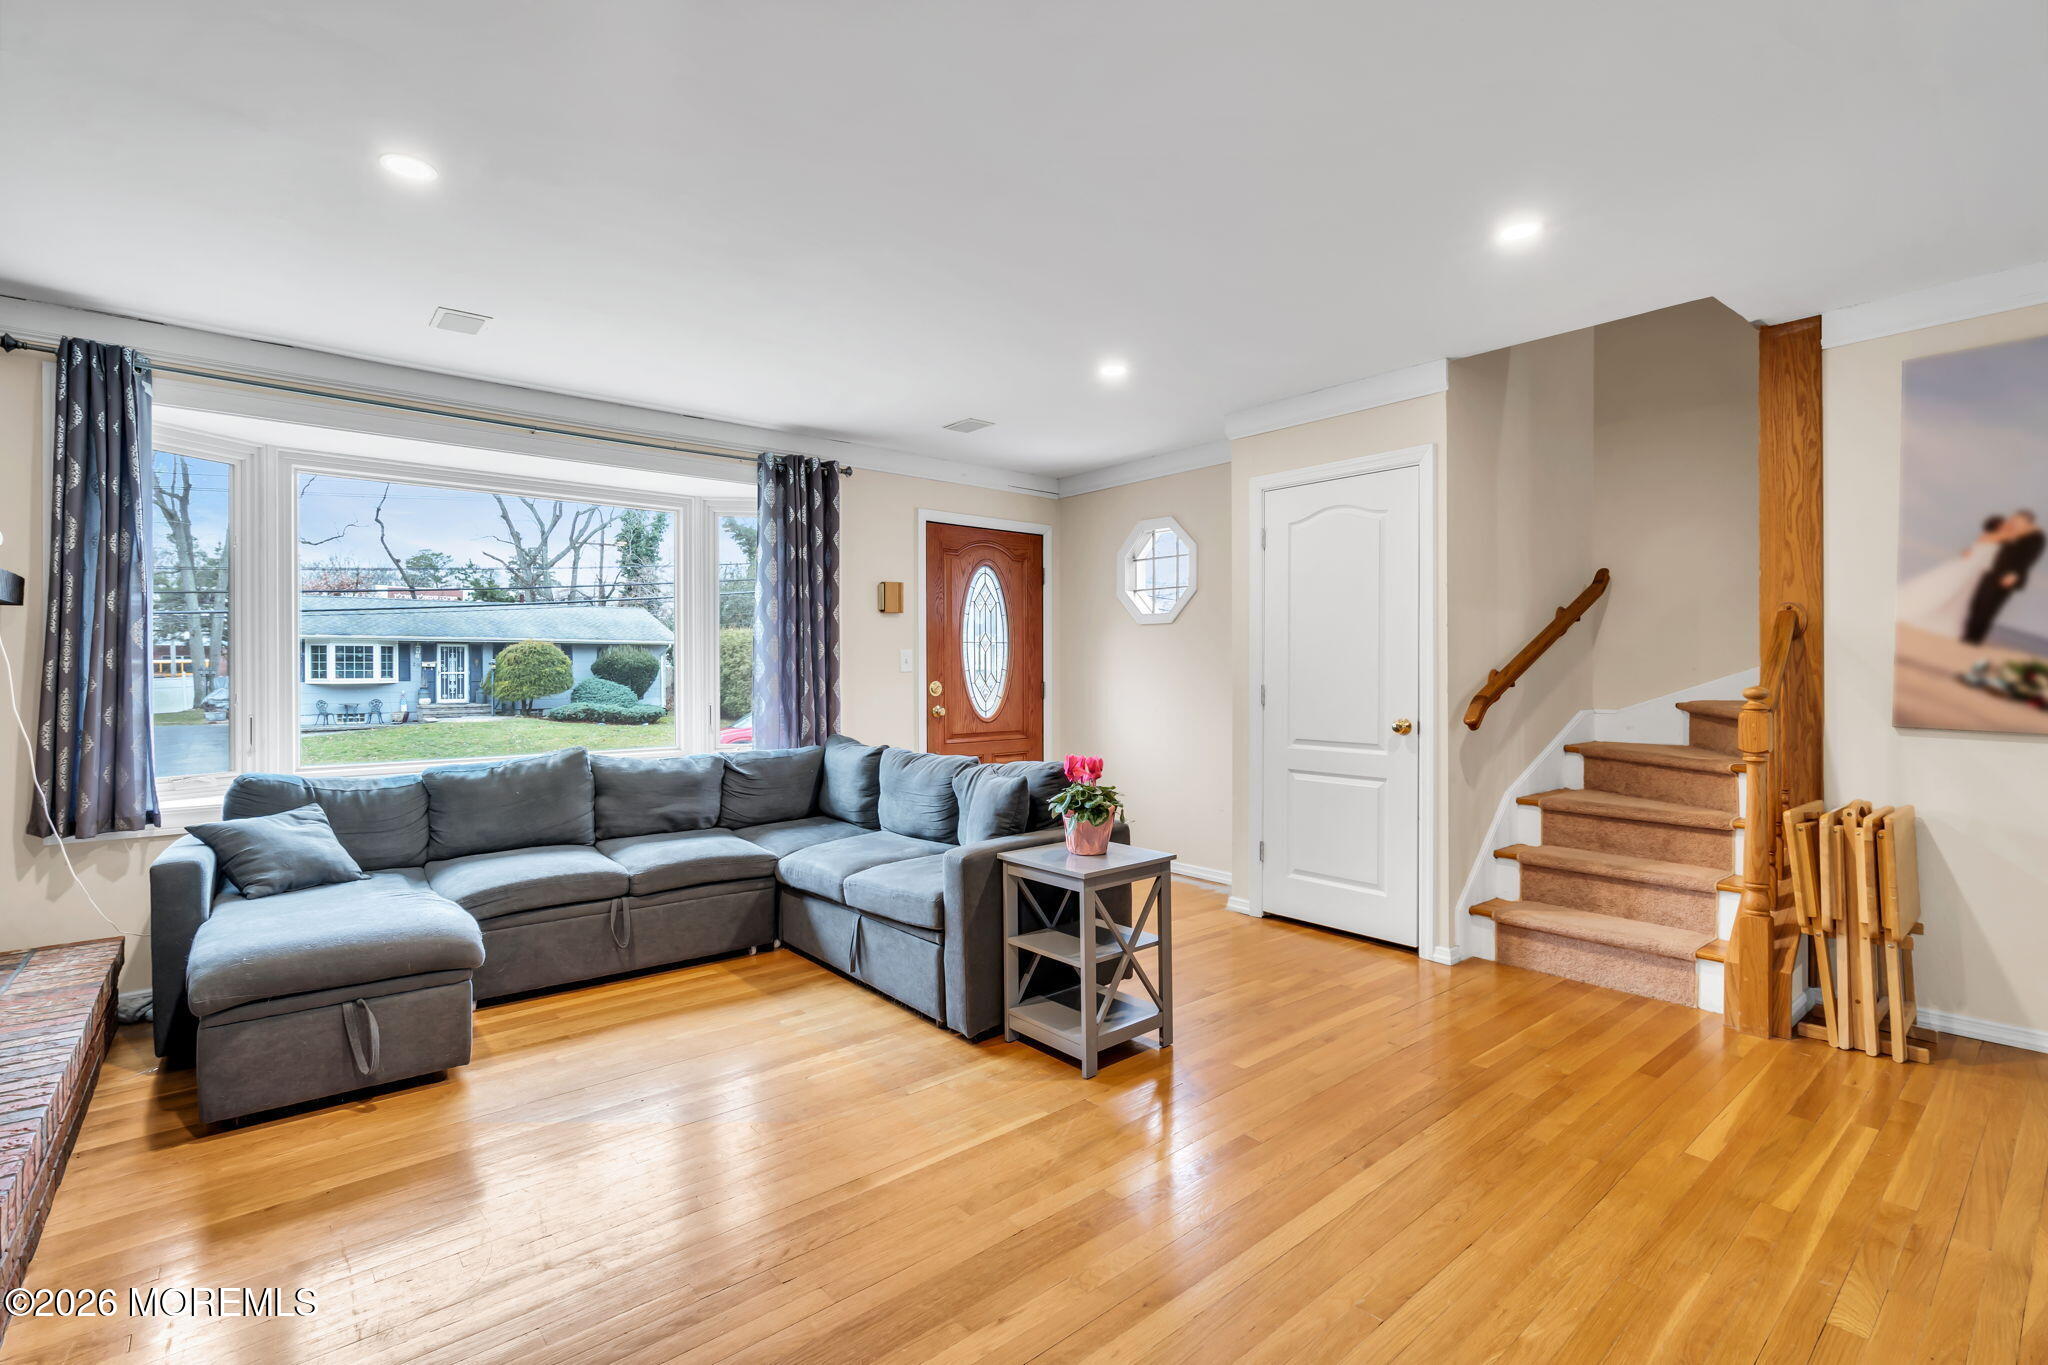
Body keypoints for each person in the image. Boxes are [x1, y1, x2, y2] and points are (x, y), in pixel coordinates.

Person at [1898, 515, 2009, 639]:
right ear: (1998, 526)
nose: (2007, 526)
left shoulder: (1984, 536)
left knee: (1955, 592)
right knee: (1956, 591)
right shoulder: (1999, 536)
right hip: (1973, 568)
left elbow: (1969, 551)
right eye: (2004, 524)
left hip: (1970, 566)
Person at [1963, 509, 2045, 645]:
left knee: (1988, 608)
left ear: (2026, 521)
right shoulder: (2014, 532)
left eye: (2017, 520)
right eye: (2014, 520)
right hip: (1992, 572)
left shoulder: (2036, 537)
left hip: (2008, 577)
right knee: (1977, 603)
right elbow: (1992, 544)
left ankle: (1974, 640)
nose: (2014, 522)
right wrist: (1973, 550)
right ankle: (1968, 636)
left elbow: (2030, 558)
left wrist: (2014, 574)